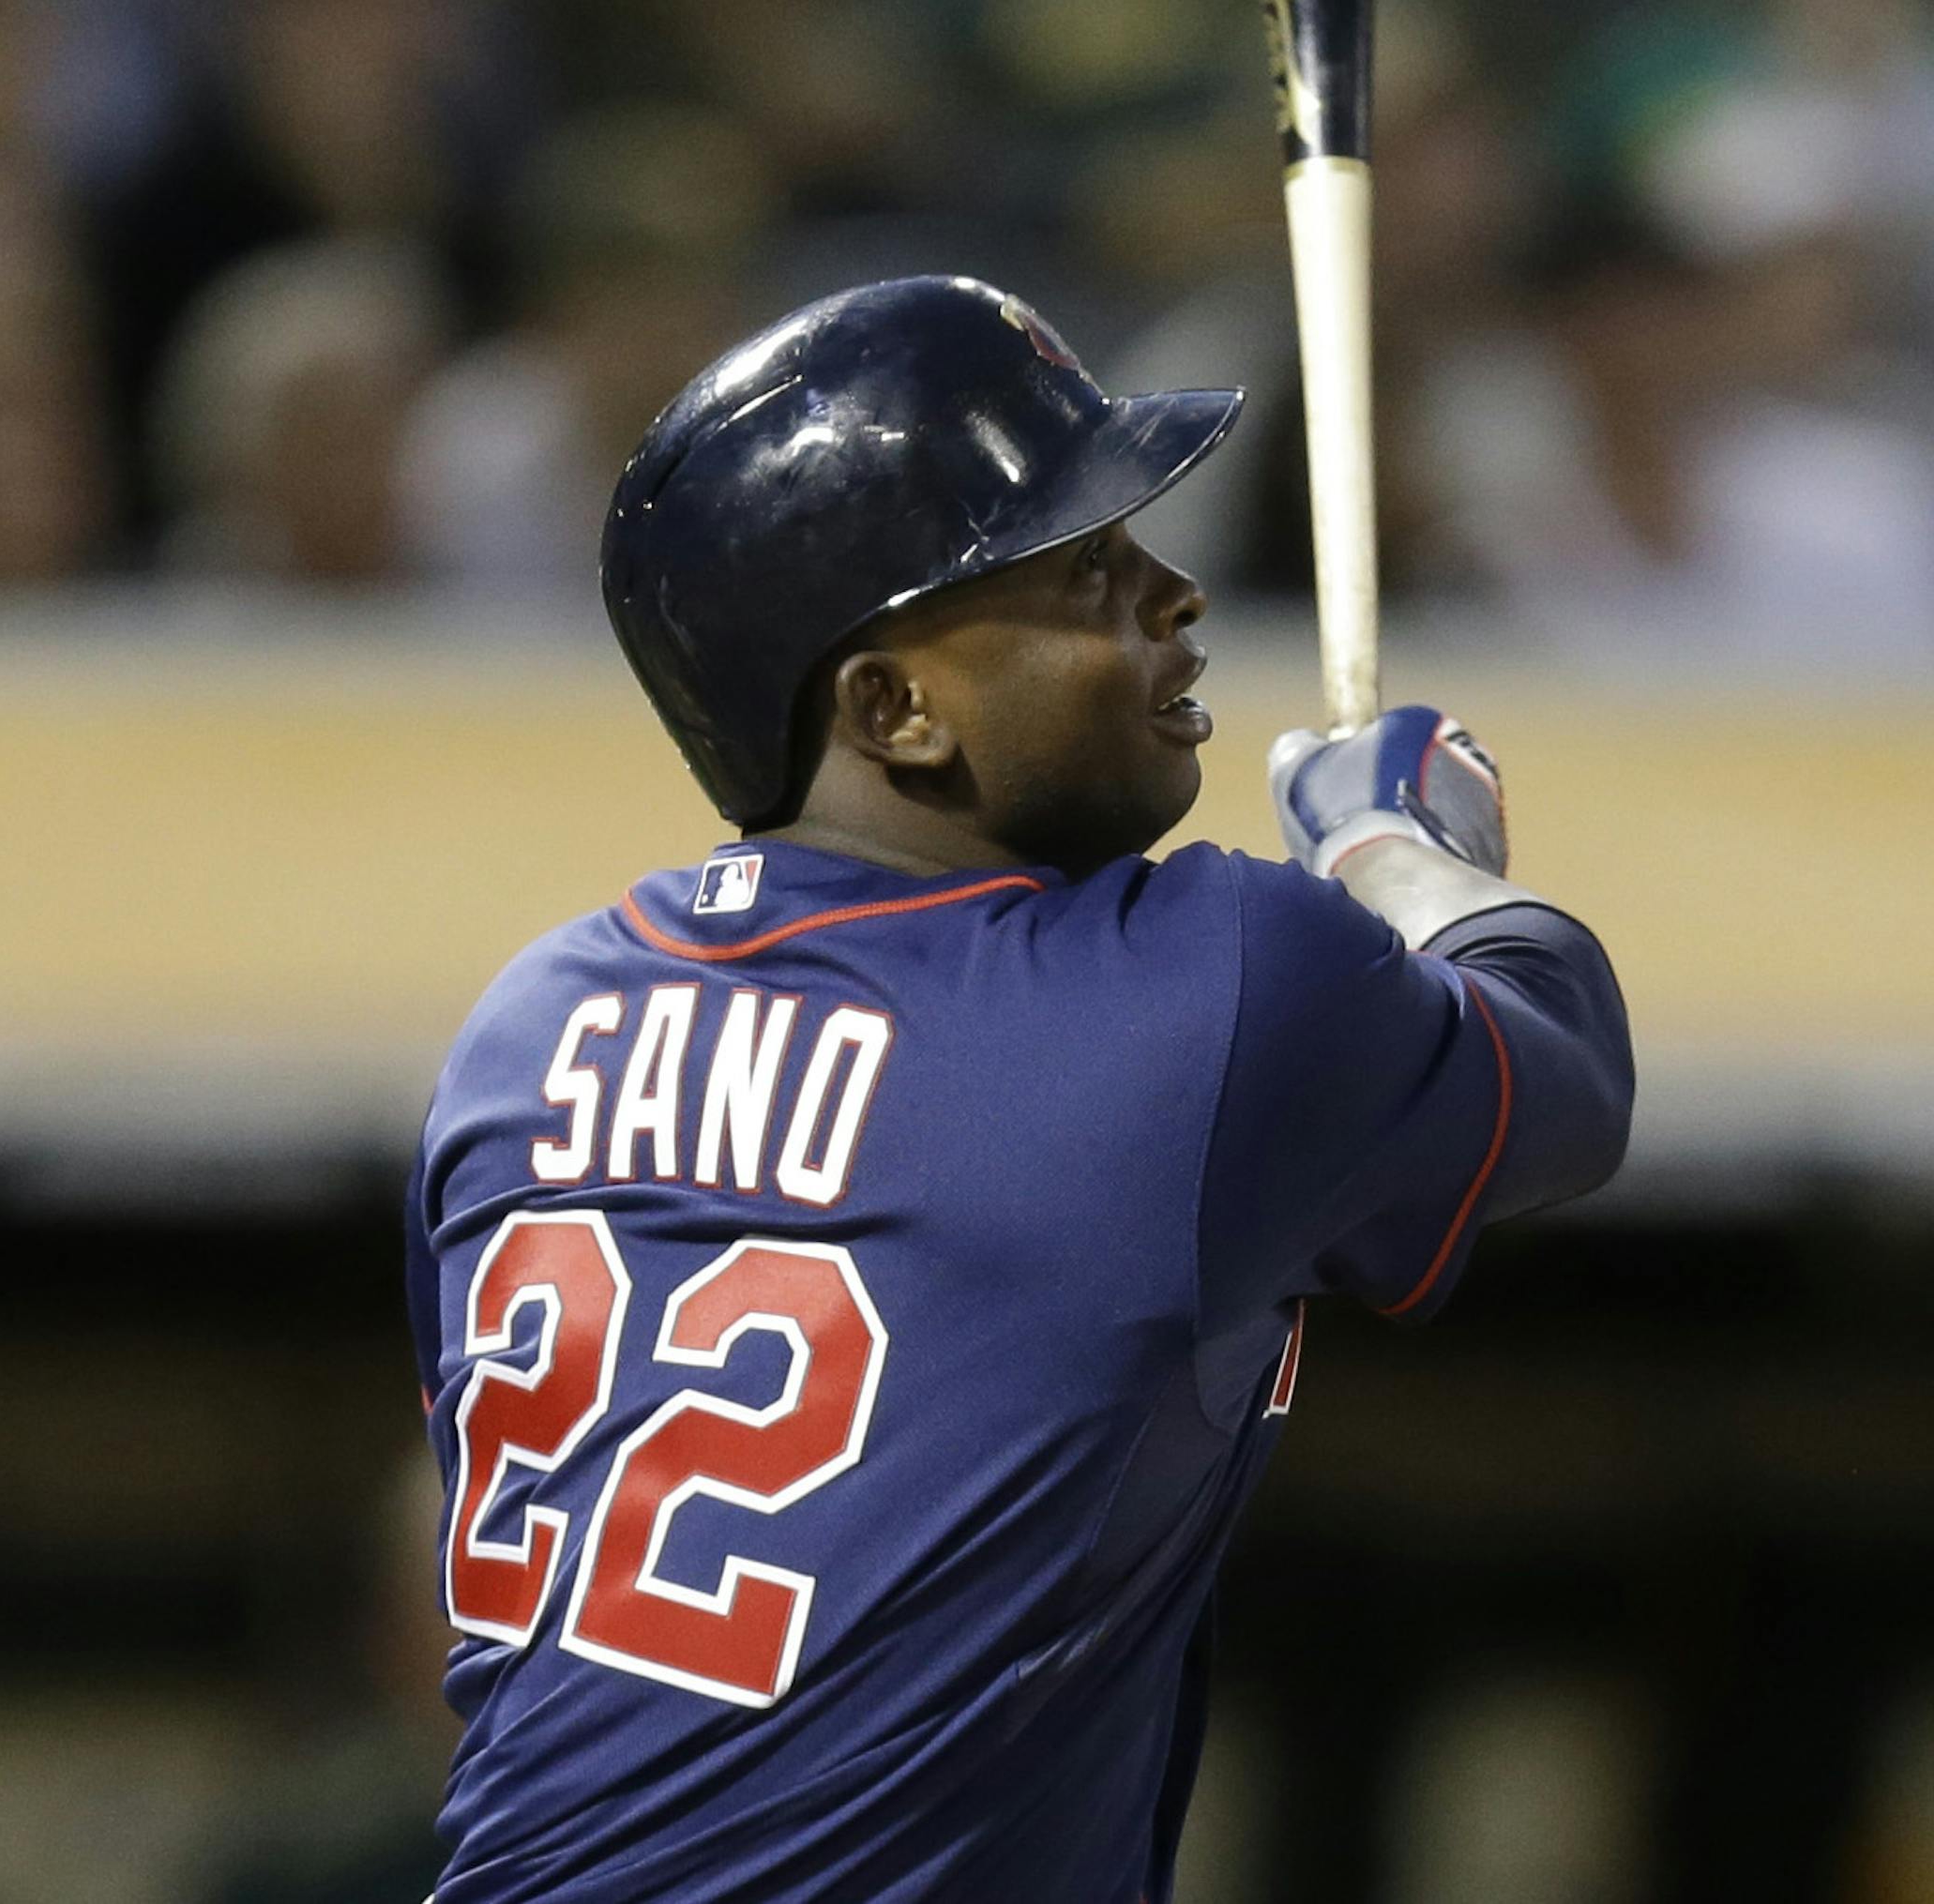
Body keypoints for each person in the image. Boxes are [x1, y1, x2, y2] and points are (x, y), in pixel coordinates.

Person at [404, 275, 1634, 1902]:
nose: (1176, 595)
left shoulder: (524, 1018)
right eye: (1084, 572)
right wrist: (1400, 851)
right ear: (890, 706)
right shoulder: (1220, 979)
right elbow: (1564, 1067)